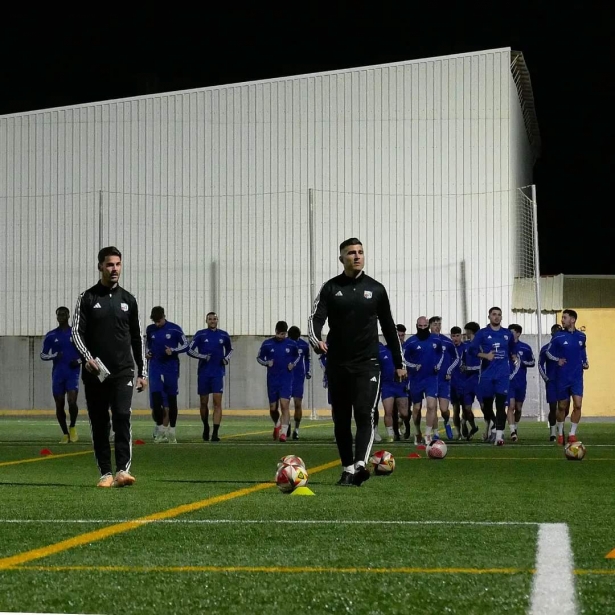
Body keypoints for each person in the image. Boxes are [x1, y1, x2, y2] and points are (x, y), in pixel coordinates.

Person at [308, 238, 405, 487]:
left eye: (360, 252)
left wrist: (399, 361)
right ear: (342, 258)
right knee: (341, 419)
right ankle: (347, 468)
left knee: (365, 413)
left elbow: (389, 328)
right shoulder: (330, 288)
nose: (357, 256)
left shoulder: (377, 289)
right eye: (351, 253)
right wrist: (316, 340)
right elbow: (315, 319)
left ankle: (361, 465)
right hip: (338, 364)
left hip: (368, 364)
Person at [72, 246, 147, 488]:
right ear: (100, 267)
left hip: (123, 370)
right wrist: (87, 357)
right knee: (100, 420)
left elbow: (137, 337)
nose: (114, 269)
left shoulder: (129, 300)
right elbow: (76, 333)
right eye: (109, 265)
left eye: (117, 264)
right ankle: (105, 472)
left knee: (123, 415)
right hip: (96, 373)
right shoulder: (87, 298)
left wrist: (142, 372)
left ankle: (123, 470)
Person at [469, 307, 516, 446]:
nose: (496, 317)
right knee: (487, 406)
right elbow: (472, 350)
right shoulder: (482, 333)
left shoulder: (507, 333)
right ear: (489, 316)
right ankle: (494, 424)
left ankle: (499, 437)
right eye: (494, 314)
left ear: (501, 317)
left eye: (499, 315)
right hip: (487, 374)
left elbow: (512, 349)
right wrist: (485, 356)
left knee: (501, 405)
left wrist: (513, 356)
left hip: (502, 374)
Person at [187, 312, 233, 442]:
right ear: (206, 321)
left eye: (214, 319)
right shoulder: (200, 334)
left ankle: (215, 432)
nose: (212, 321)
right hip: (204, 373)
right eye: (210, 319)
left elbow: (230, 349)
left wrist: (226, 359)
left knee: (217, 402)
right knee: (203, 402)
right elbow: (189, 350)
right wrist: (202, 356)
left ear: (217, 320)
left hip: (218, 373)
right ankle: (206, 426)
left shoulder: (223, 335)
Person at [145, 306, 188, 444]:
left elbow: (186, 345)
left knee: (171, 398)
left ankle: (172, 431)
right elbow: (147, 345)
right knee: (156, 400)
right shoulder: (150, 329)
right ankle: (160, 429)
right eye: (155, 321)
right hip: (155, 366)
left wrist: (174, 350)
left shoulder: (174, 329)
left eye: (159, 321)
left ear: (164, 316)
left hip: (171, 367)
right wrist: (147, 353)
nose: (157, 324)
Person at [546, 310, 589, 445]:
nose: (562, 320)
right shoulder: (558, 336)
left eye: (564, 318)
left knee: (578, 405)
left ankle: (572, 434)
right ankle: (560, 433)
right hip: (562, 377)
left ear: (573, 320)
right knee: (562, 406)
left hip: (577, 377)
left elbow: (582, 351)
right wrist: (557, 360)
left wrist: (585, 361)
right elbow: (548, 352)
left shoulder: (582, 336)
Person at [40, 306, 81, 443]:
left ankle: (73, 426)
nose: (61, 317)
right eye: (59, 314)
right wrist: (54, 356)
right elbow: (43, 354)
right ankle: (65, 433)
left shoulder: (76, 334)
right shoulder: (51, 335)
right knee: (59, 404)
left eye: (64, 314)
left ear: (69, 316)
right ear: (56, 316)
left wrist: (79, 361)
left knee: (72, 401)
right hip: (58, 373)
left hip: (72, 373)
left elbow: (86, 353)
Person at [257, 321, 300, 442]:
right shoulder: (267, 344)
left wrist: (293, 364)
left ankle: (284, 432)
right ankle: (277, 424)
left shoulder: (291, 344)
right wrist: (266, 363)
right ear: (275, 332)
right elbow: (259, 357)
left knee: (284, 405)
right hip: (272, 379)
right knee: (273, 408)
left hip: (286, 379)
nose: (281, 336)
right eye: (279, 333)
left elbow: (297, 356)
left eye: (283, 334)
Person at [403, 316, 443, 445]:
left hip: (431, 378)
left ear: (428, 325)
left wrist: (439, 365)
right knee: (416, 408)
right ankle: (417, 432)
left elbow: (441, 354)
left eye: (425, 326)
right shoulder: (410, 342)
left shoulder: (436, 339)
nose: (422, 328)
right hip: (416, 379)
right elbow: (403, 359)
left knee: (432, 406)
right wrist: (413, 366)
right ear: (416, 326)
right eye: (420, 326)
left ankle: (427, 434)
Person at [429, 316, 459, 439]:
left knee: (444, 408)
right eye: (435, 324)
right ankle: (436, 433)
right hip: (430, 380)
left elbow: (457, 358)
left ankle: (447, 421)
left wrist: (449, 370)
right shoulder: (426, 341)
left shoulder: (447, 342)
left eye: (439, 324)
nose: (437, 326)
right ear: (430, 326)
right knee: (433, 407)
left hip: (444, 380)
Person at [507, 324, 536, 441]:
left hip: (521, 382)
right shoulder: (505, 347)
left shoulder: (525, 348)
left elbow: (532, 362)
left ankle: (515, 426)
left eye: (512, 332)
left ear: (518, 333)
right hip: (509, 382)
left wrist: (521, 361)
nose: (510, 335)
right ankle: (512, 432)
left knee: (518, 408)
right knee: (511, 406)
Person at [379, 337, 410, 443]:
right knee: (388, 411)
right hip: (387, 385)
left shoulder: (405, 351)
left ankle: (400, 423)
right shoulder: (381, 350)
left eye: (401, 335)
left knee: (404, 413)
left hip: (401, 385)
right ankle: (390, 434)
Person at [538, 324, 563, 441]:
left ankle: (561, 429)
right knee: (553, 407)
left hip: (564, 381)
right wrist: (546, 378)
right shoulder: (545, 348)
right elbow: (540, 364)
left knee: (563, 407)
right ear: (552, 334)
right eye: (555, 332)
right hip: (552, 381)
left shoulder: (565, 348)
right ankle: (553, 433)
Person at [287, 326, 312, 440]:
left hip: (298, 377)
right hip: (286, 376)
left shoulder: (303, 345)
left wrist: (307, 371)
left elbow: (307, 359)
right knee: (285, 404)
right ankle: (286, 425)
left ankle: (296, 430)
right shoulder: (285, 343)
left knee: (298, 404)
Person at [460, 322, 482, 440]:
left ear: (470, 331)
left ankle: (493, 429)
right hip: (467, 380)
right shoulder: (465, 345)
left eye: (466, 330)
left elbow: (484, 363)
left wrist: (470, 368)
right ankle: (473, 427)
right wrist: (463, 366)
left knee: (485, 406)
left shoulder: (480, 345)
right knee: (467, 408)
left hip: (478, 380)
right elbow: (463, 360)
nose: (465, 333)